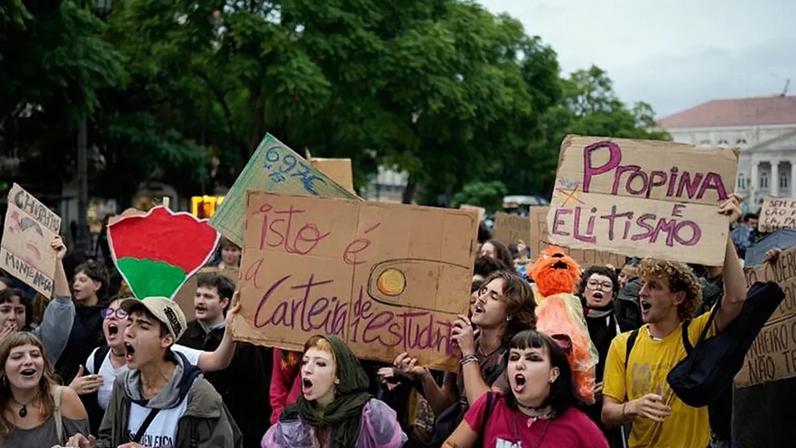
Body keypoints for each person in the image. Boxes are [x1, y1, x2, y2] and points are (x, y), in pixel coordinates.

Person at [600, 195, 746, 448]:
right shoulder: (623, 344)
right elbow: (607, 414)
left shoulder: (696, 333)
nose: (642, 292)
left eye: (654, 286)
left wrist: (724, 232)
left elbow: (735, 298)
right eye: (642, 285)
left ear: (678, 297)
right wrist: (630, 407)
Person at [67, 296, 241, 448]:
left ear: (166, 340)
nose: (128, 332)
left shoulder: (200, 396)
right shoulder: (123, 385)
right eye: (129, 323)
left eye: (143, 326)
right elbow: (110, 441)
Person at [394, 270, 536, 443]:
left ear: (511, 312)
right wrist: (424, 376)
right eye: (483, 291)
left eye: (494, 296)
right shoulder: (465, 343)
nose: (481, 298)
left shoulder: (516, 356)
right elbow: (445, 408)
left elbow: (484, 412)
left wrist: (468, 353)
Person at [443, 330, 608, 448]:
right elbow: (452, 444)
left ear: (553, 373)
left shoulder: (579, 425)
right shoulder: (490, 405)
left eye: (533, 358)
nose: (519, 364)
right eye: (514, 357)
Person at [177, 273, 271, 448]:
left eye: (208, 296)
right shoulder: (183, 335)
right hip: (191, 424)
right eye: (198, 295)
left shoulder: (244, 342)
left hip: (234, 425)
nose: (200, 301)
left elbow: (257, 390)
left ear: (224, 302)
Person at [262, 334, 407, 448]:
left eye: (320, 363)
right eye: (305, 362)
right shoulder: (293, 420)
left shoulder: (370, 415)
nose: (307, 369)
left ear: (338, 375)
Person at [0, 332, 89, 447]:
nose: (28, 361)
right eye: (17, 357)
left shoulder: (63, 398)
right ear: (3, 368)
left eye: (35, 355)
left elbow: (86, 443)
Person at [56, 259, 109, 384]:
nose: (75, 284)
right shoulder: (71, 313)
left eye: (82, 280)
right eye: (75, 280)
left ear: (97, 285)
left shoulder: (106, 316)